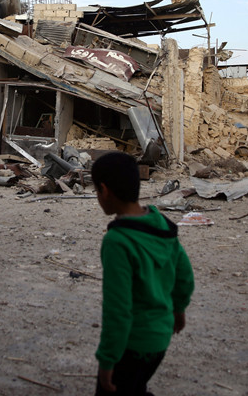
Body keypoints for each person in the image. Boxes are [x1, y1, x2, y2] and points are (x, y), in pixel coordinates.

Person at [92, 151, 195, 396]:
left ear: (104, 191)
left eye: (96, 191)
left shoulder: (118, 241)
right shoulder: (161, 225)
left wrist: (107, 359)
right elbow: (184, 275)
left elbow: (118, 309)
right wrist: (179, 309)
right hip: (160, 340)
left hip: (132, 344)